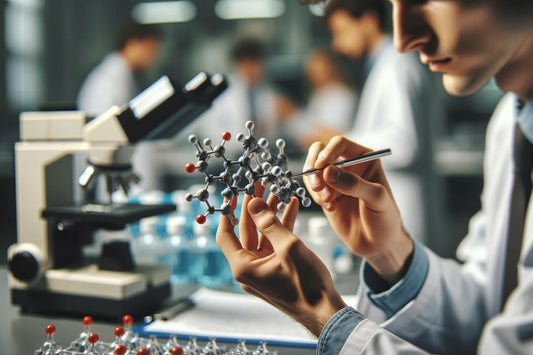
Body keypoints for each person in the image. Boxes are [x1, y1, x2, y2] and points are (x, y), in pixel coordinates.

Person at [216, 0, 533, 354]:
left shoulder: (396, 67)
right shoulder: (510, 123)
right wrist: (392, 254)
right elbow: (486, 310)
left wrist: (324, 317)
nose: (402, 39)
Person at [325, 0, 441, 241]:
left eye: (341, 32)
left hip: (406, 207)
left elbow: (405, 144)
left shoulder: (397, 67)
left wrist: (342, 142)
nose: (337, 44)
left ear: (368, 21)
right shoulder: (382, 66)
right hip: (394, 205)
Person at [186, 37, 295, 154]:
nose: (251, 69)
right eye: (245, 64)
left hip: (260, 158)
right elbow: (208, 132)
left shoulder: (271, 94)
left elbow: (282, 133)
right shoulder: (222, 94)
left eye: (255, 64)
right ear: (237, 64)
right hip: (227, 157)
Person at [77, 20, 162, 116]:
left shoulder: (121, 72)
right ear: (133, 43)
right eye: (150, 48)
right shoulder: (110, 78)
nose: (154, 56)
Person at [289, 48, 356, 149]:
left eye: (319, 69)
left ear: (331, 68)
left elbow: (331, 134)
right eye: (312, 70)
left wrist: (293, 115)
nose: (315, 74)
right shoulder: (318, 94)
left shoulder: (341, 96)